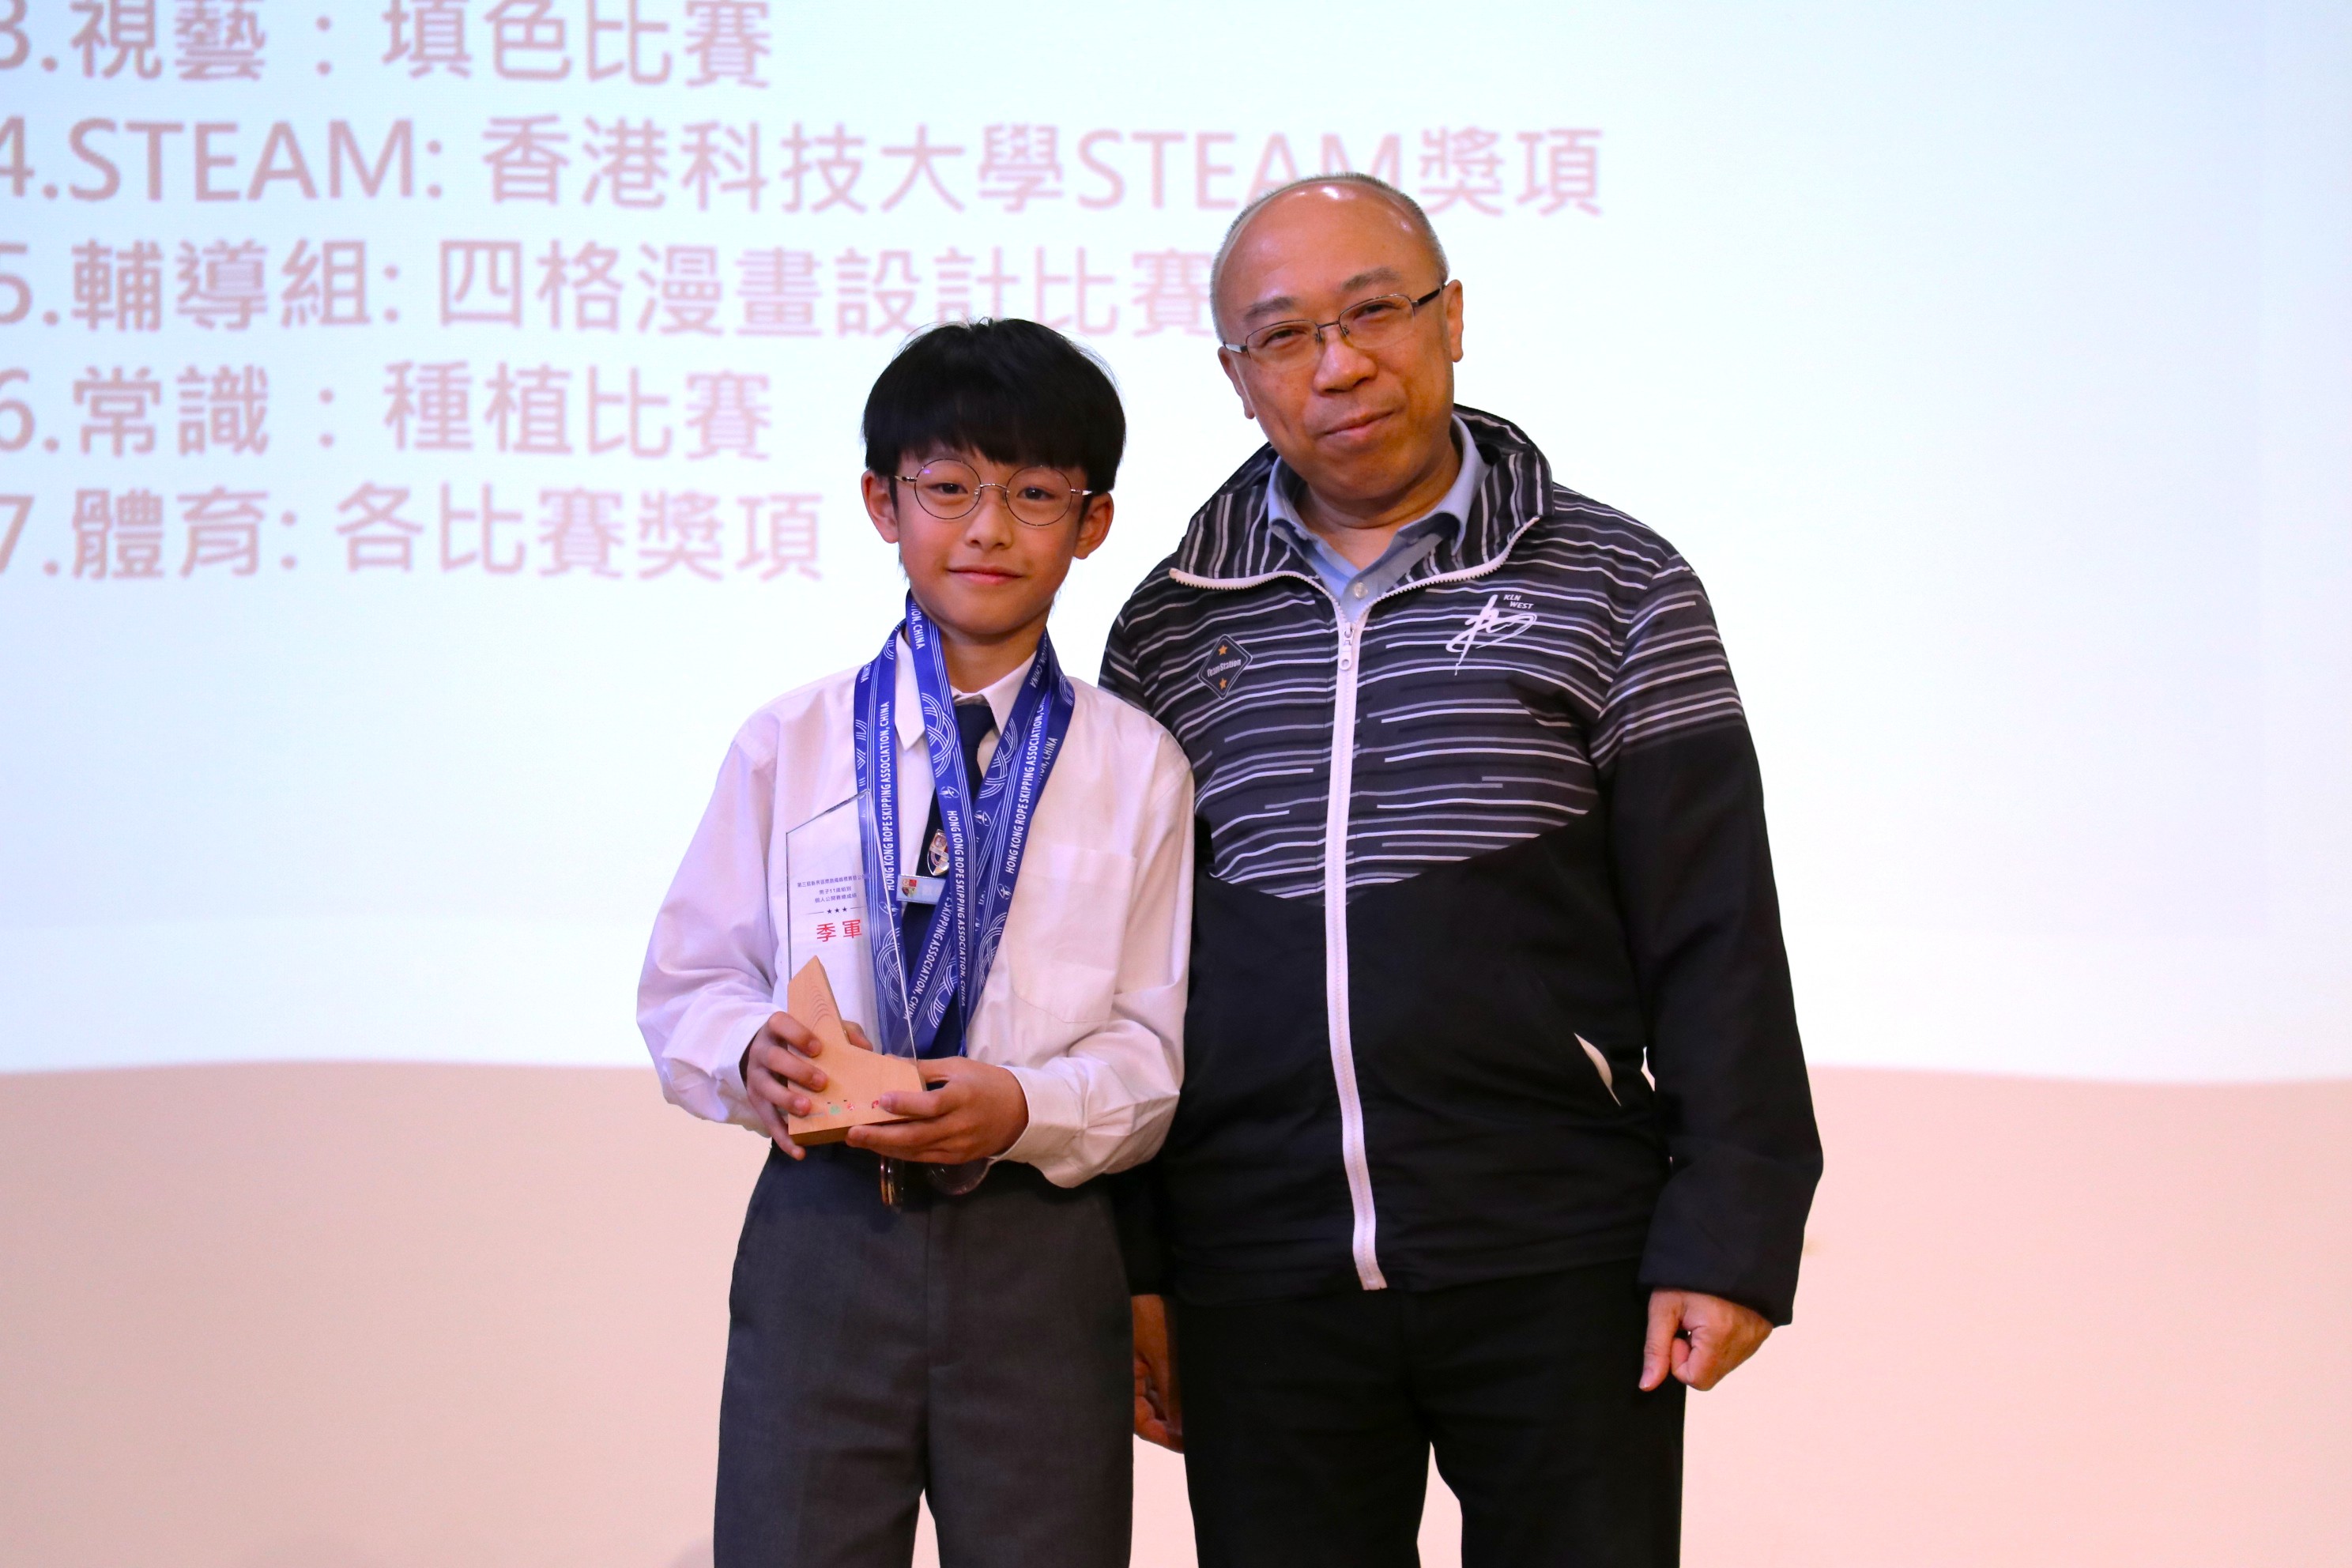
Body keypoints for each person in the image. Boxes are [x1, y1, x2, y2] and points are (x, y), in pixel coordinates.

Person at [1104, 175, 1822, 1567]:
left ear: (1450, 320)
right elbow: (1126, 975)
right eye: (1284, 336)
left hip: (1560, 1252)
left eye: (1373, 311)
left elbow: (1717, 931)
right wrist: (1135, 1264)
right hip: (1257, 1273)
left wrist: (1731, 1228)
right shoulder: (1170, 626)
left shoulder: (1620, 583)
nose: (1338, 365)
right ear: (1238, 378)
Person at [639, 319, 1195, 1568]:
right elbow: (687, 986)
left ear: (1094, 522)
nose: (989, 529)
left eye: (1034, 494)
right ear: (882, 503)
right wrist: (748, 1052)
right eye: (948, 488)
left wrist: (1021, 1105)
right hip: (826, 1231)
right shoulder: (789, 744)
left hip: (1040, 1244)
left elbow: (1150, 1052)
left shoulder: (1136, 766)